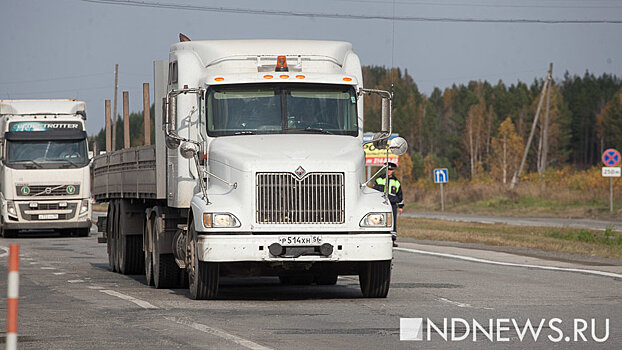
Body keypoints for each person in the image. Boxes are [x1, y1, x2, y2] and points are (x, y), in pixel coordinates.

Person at [373, 162, 404, 247]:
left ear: (393, 170)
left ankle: (392, 240)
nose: (389, 171)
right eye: (388, 169)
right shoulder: (379, 179)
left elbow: (400, 194)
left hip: (392, 204)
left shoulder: (396, 181)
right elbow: (374, 191)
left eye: (391, 170)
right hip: (381, 204)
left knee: (392, 222)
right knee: (379, 221)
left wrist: (400, 206)